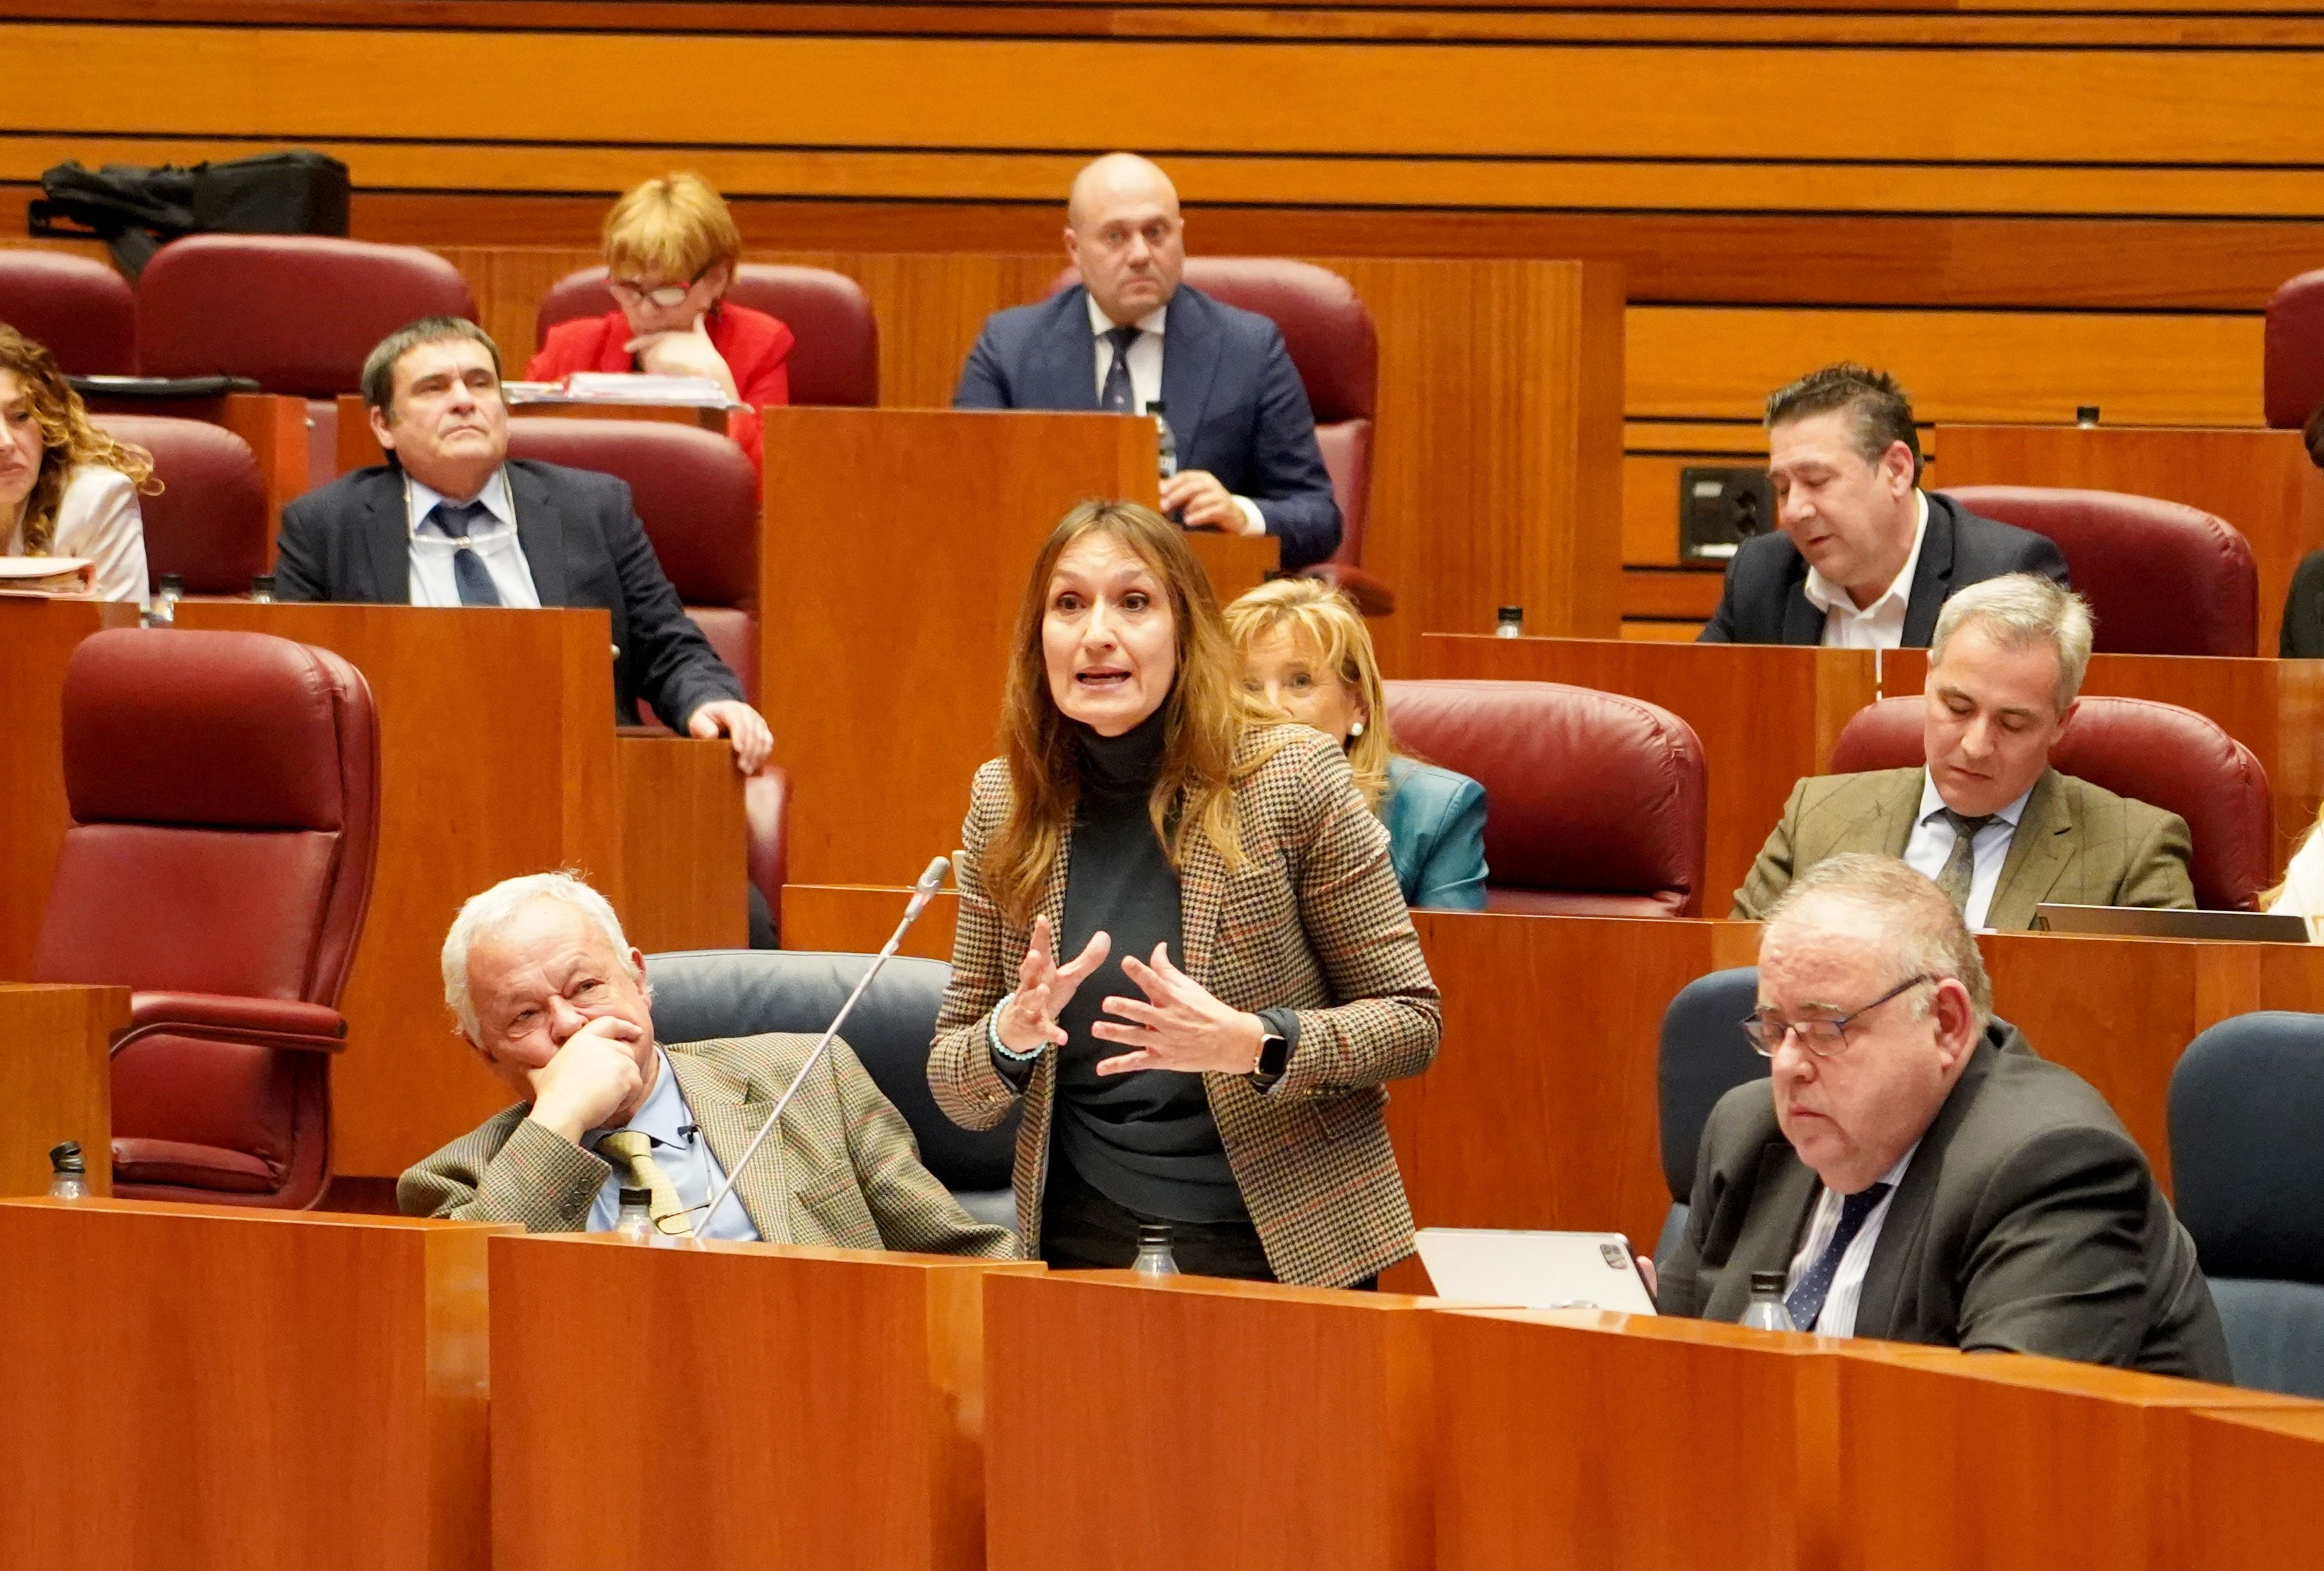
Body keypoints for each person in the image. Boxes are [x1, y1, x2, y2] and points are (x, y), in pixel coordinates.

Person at [927, 500, 1439, 1287]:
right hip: (1079, 1236)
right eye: (1069, 604)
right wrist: (1010, 1031)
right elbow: (955, 1084)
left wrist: (1256, 1041)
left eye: (1134, 601)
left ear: (1187, 631)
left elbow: (1411, 1021)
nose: (1098, 631)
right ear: (1040, 640)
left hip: (1278, 1241)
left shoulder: (1293, 777)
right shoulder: (1007, 800)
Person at [1660, 854, 2230, 1381]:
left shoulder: (2054, 1168)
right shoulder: (1748, 1133)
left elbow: (2001, 1437)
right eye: (1776, 1028)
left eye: (1826, 1029)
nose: (1787, 1066)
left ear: (1947, 1023)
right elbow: (1680, 1373)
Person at [399, 871, 1017, 1256]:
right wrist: (559, 1121)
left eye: (587, 987)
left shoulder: (805, 1078)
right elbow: (466, 1312)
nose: (570, 1026)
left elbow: (959, 1259)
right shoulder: (455, 1181)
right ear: (484, 1052)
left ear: (639, 979)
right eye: (526, 1017)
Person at [275, 317, 771, 773]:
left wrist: (710, 701)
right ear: (384, 424)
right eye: (433, 388)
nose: (464, 400)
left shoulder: (592, 507)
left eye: (480, 383)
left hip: (582, 776)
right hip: (407, 782)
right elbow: (303, 688)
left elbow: (667, 645)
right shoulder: (325, 527)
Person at [1732, 574, 2193, 929]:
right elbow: (1740, 983)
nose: (1975, 746)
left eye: (2013, 723)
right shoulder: (1817, 816)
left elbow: (2164, 1021)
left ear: (2060, 723)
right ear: (1927, 679)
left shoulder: (2134, 852)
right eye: (1957, 707)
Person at [952, 154, 1342, 572]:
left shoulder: (1249, 349)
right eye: (1116, 237)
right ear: (1074, 248)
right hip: (1054, 604)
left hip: (1203, 603)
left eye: (1155, 233)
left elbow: (1319, 518)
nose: (1140, 254)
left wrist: (1241, 515)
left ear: (1181, 236)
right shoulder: (1010, 349)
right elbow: (962, 503)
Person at [1700, 362, 2068, 647]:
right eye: (1782, 489)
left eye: (1816, 481)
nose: (1794, 511)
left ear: (1896, 470)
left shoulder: (2003, 576)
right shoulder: (1762, 575)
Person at [1223, 576, 1487, 910]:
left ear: (1358, 705)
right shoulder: (1196, 802)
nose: (1272, 708)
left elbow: (1449, 957)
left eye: (1300, 681)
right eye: (1248, 687)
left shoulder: (1435, 812)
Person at [527, 172, 791, 477]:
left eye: (667, 292)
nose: (645, 310)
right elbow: (524, 474)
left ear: (716, 279)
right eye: (629, 288)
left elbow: (769, 491)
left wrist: (721, 393)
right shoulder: (569, 347)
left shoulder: (760, 346)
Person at [0, 323, 154, 607]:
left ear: (47, 421)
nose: (5, 442)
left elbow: (119, 642)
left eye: (21, 417)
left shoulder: (97, 500)